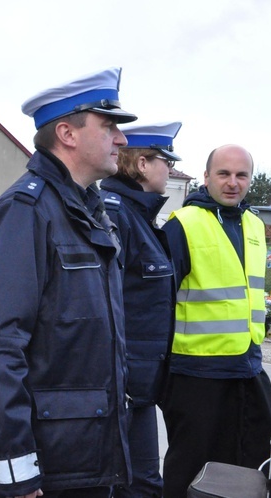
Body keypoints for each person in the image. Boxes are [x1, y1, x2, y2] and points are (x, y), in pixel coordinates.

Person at [0, 67, 136, 498]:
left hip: (78, 460)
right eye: (109, 126)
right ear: (67, 134)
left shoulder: (88, 211)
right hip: (36, 468)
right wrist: (16, 471)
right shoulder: (25, 211)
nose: (122, 139)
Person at [160, 144, 271, 498]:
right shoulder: (183, 225)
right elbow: (160, 304)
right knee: (191, 472)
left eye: (241, 175)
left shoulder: (255, 224)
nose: (232, 183)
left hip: (248, 368)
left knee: (257, 465)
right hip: (198, 374)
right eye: (223, 174)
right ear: (206, 176)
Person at [99, 122, 182, 497]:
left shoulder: (139, 216)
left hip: (139, 383)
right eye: (167, 160)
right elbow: (105, 302)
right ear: (144, 164)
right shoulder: (117, 214)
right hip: (124, 383)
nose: (171, 169)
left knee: (138, 482)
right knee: (140, 484)